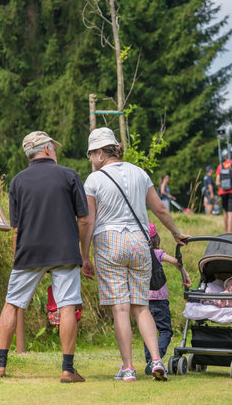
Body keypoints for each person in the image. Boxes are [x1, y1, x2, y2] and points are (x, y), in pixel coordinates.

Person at [80, 127, 190, 381]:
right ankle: (156, 361)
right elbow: (160, 209)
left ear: (99, 153)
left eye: (90, 154)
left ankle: (128, 368)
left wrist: (84, 256)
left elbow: (87, 221)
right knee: (142, 307)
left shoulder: (94, 180)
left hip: (109, 241)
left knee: (120, 308)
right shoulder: (140, 173)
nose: (90, 160)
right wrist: (175, 233)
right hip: (140, 242)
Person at [0, 131, 89, 382]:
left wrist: (19, 257)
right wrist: (83, 254)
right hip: (65, 250)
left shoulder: (17, 181)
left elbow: (17, 228)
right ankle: (67, 370)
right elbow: (83, 219)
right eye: (55, 148)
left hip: (29, 251)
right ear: (48, 149)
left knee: (12, 303)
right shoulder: (70, 176)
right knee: (67, 305)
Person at [143, 223, 191, 376]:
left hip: (143, 301)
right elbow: (176, 262)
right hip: (160, 300)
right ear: (156, 238)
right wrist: (185, 275)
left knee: (147, 331)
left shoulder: (139, 254)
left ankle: (150, 361)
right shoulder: (158, 253)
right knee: (165, 331)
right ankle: (153, 361)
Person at [216, 152, 232, 233]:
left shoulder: (220, 166)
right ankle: (229, 232)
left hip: (223, 192)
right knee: (230, 213)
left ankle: (226, 231)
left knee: (225, 211)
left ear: (225, 158)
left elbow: (217, 183)